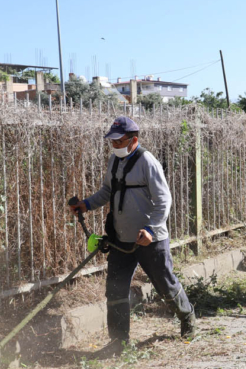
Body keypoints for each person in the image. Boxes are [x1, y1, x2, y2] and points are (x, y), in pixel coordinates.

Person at [68, 116, 195, 353]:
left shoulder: (147, 161)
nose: (114, 146)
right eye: (112, 142)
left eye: (119, 141)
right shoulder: (114, 161)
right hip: (120, 238)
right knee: (115, 289)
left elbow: (164, 200)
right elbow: (107, 191)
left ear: (133, 140)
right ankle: (119, 341)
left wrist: (151, 229)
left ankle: (187, 317)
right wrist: (86, 204)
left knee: (165, 284)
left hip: (150, 238)